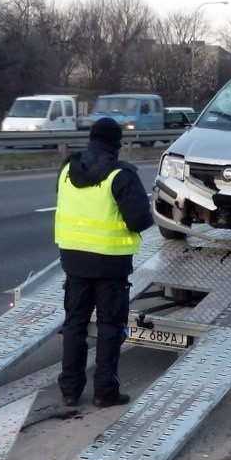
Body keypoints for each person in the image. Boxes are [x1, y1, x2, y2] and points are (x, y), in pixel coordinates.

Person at [55, 117, 154, 408]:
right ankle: (104, 391)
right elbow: (140, 220)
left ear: (91, 139)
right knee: (110, 328)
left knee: (75, 325)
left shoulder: (66, 169)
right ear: (116, 143)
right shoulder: (120, 175)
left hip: (73, 260)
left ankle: (70, 391)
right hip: (110, 264)